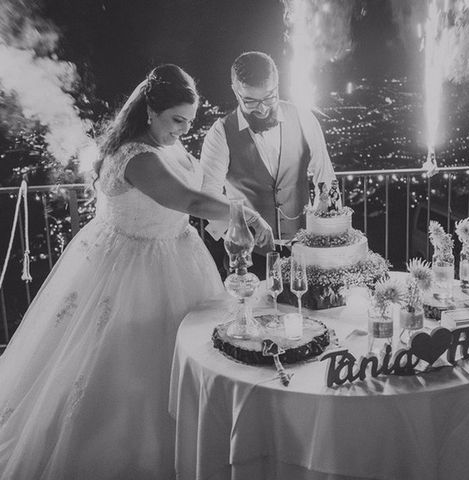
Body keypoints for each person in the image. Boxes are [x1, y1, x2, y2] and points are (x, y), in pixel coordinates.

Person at [0, 64, 273, 480]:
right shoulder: (137, 157)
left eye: (188, 122)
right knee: (135, 376)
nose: (183, 131)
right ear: (150, 110)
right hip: (136, 270)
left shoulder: (163, 144)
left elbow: (196, 193)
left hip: (177, 256)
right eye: (176, 121)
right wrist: (246, 213)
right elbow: (189, 200)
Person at [200, 51, 336, 276]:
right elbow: (208, 196)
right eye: (251, 101)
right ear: (236, 91)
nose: (262, 109)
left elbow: (325, 178)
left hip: (304, 251)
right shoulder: (220, 133)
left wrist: (323, 234)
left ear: (278, 85)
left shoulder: (304, 118)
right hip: (249, 258)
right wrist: (237, 237)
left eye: (269, 97)